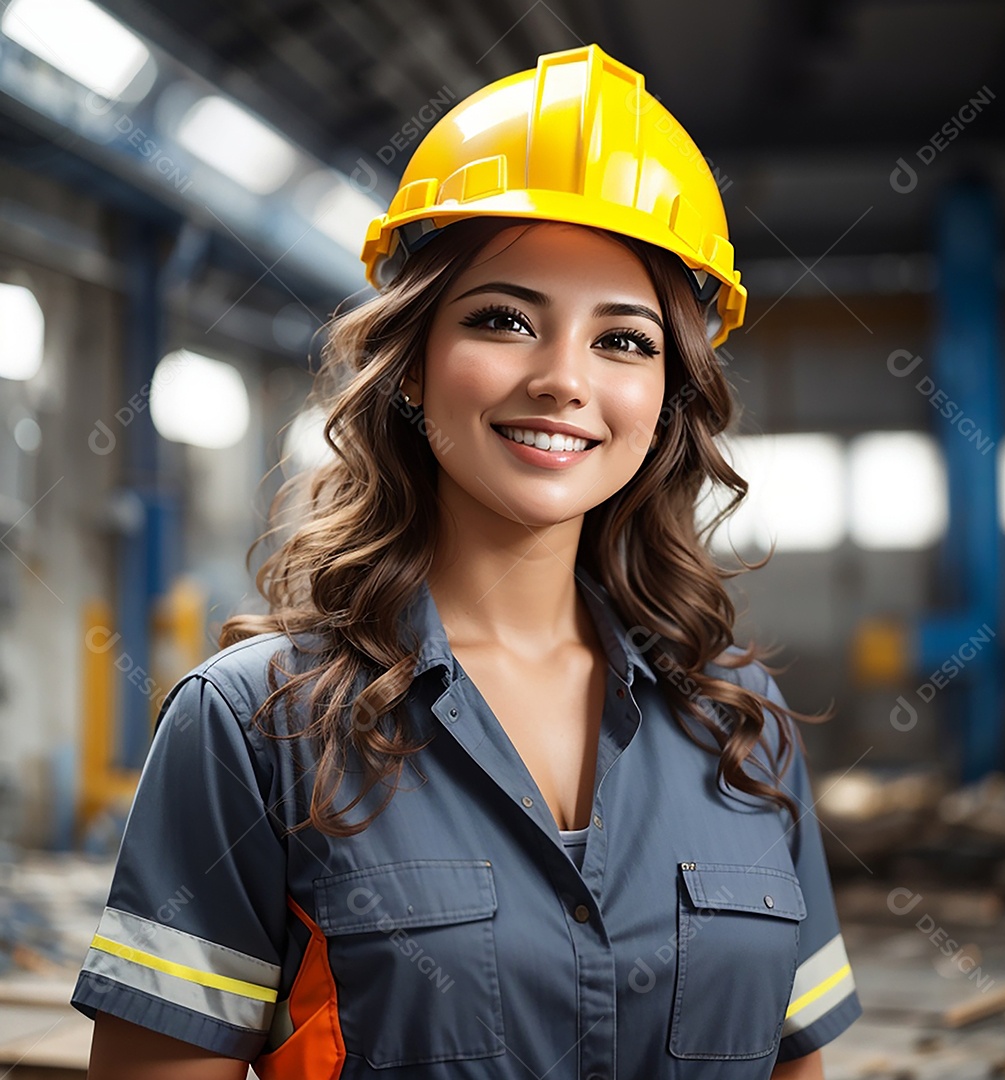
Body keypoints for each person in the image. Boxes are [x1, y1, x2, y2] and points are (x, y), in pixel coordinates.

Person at [71, 41, 861, 1080]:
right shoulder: (255, 727)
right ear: (412, 365)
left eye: (622, 340)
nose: (563, 380)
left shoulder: (741, 726)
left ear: (670, 399)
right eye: (503, 319)